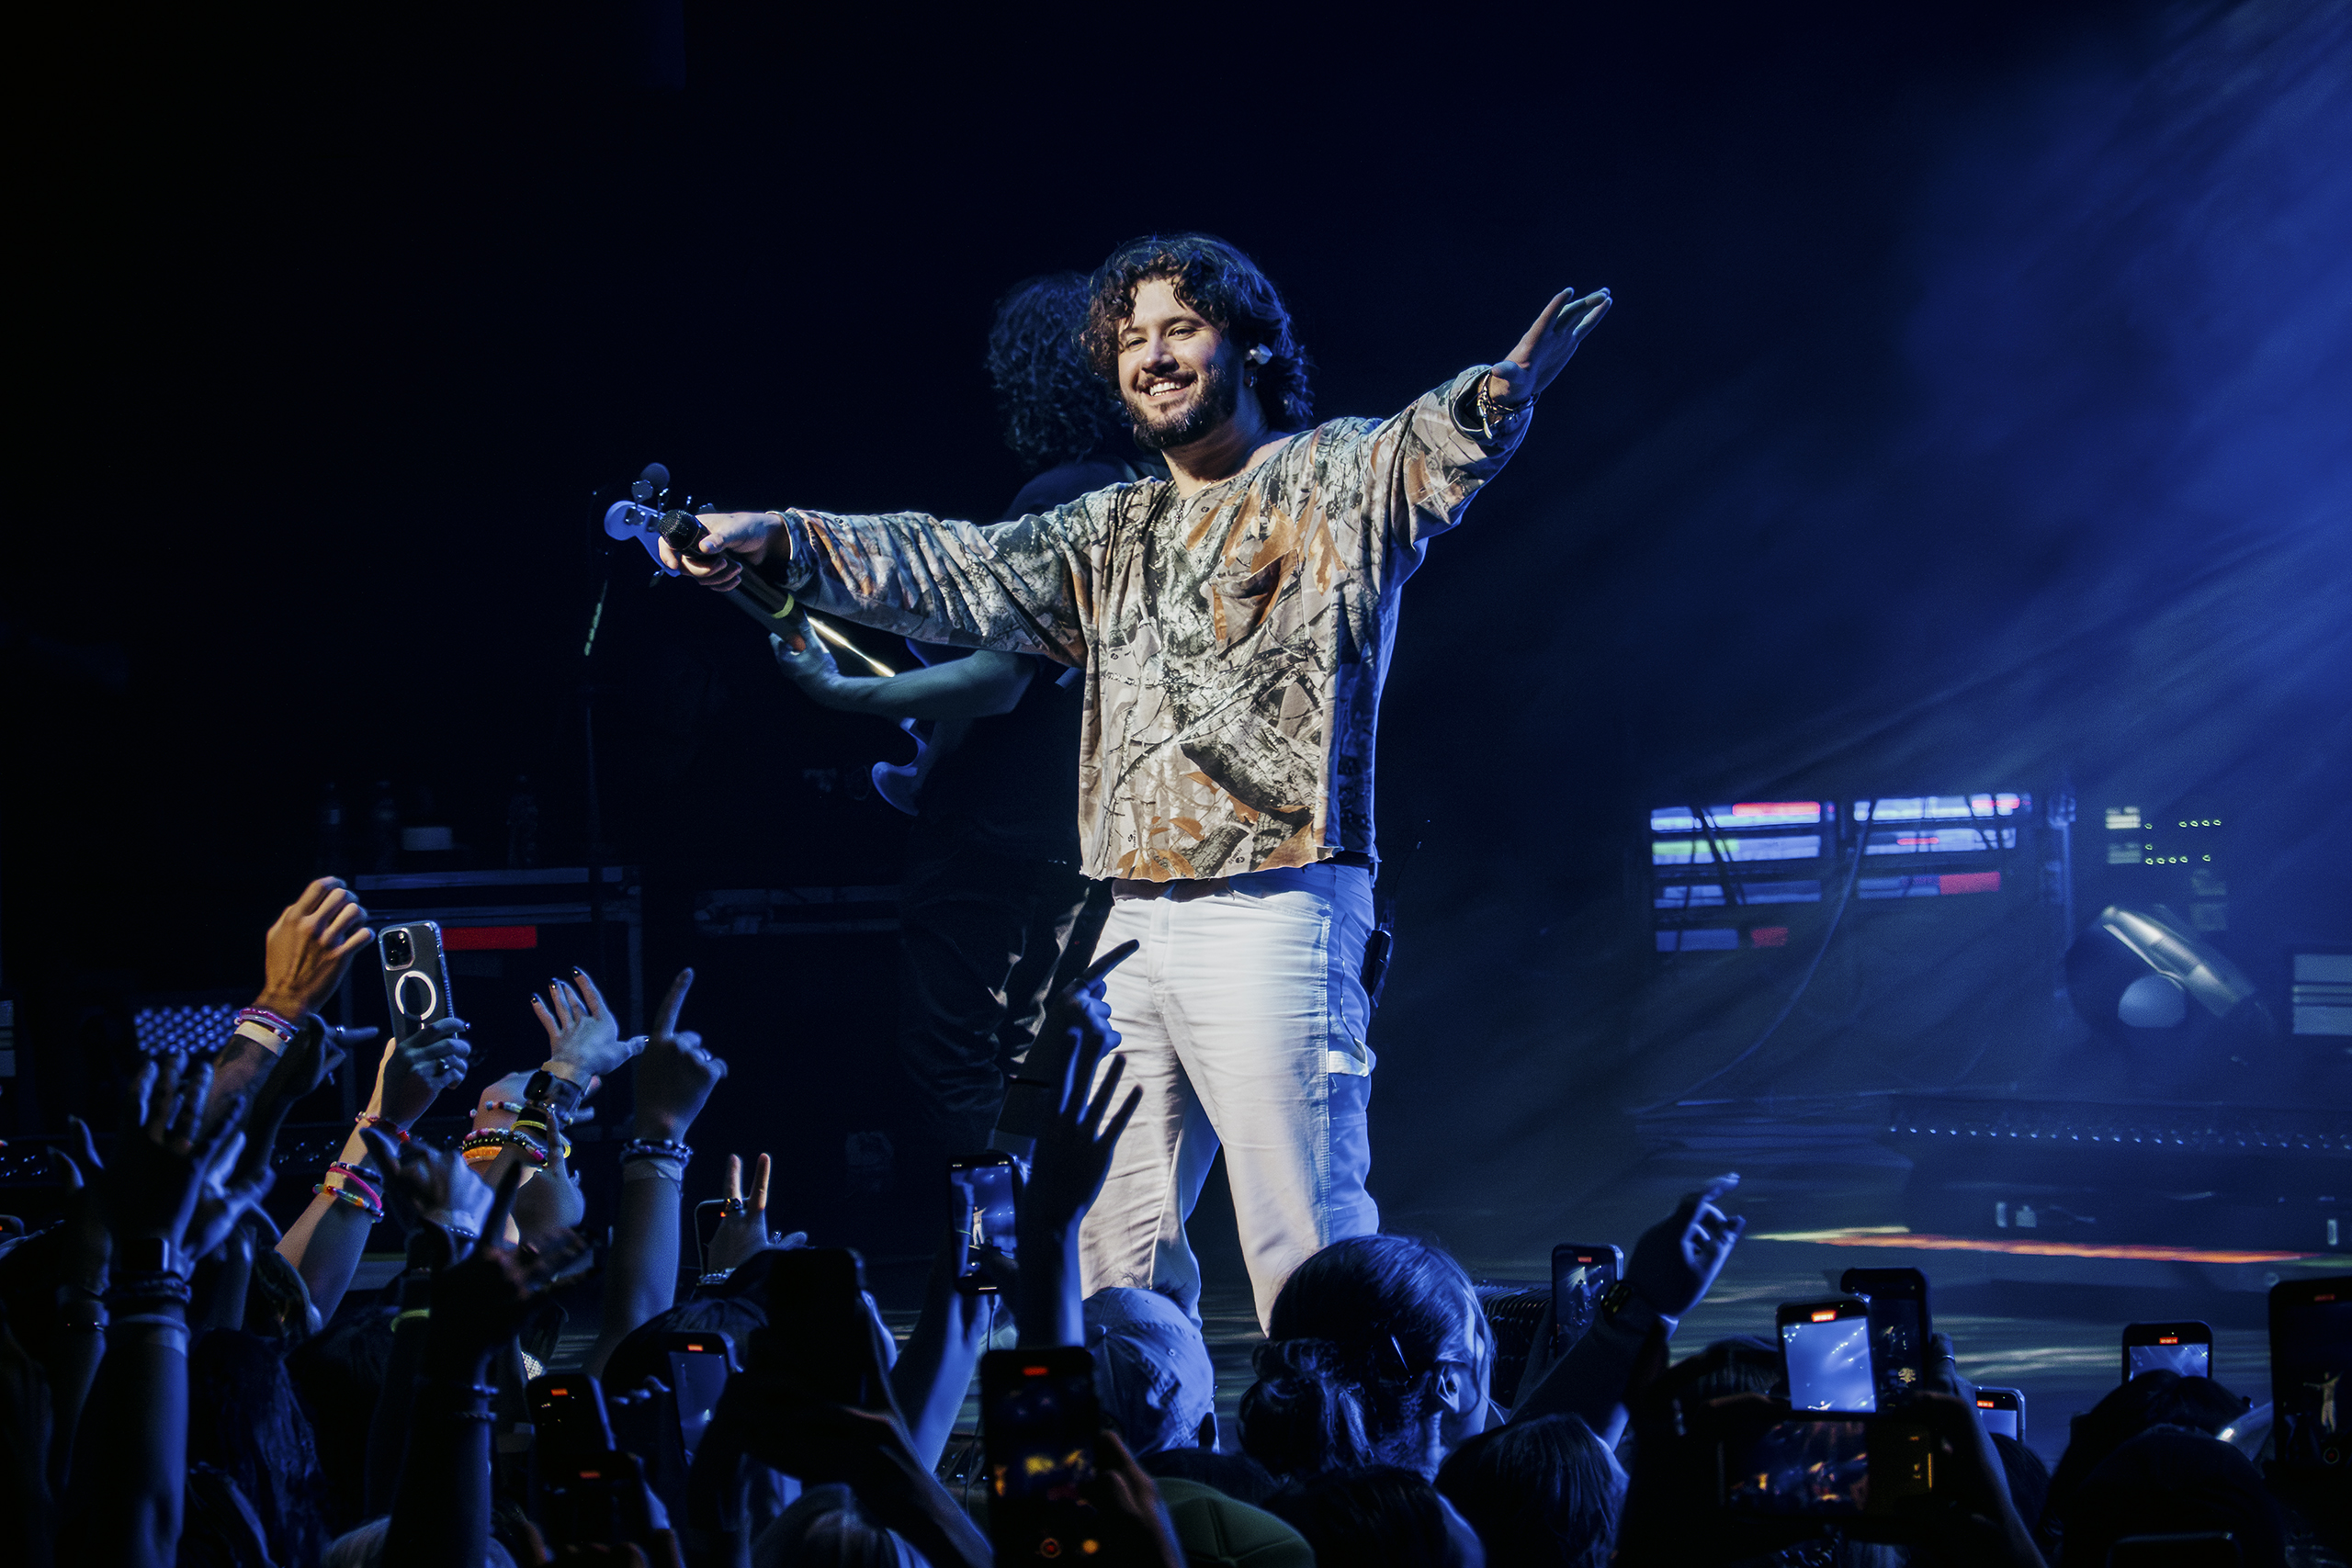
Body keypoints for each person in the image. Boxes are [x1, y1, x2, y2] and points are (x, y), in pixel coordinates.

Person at [662, 232, 1612, 1325]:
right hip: (1124, 926)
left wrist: (1495, 394)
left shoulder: (1327, 478)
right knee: (1107, 1254)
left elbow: (1422, 452)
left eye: (1179, 330)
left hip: (1275, 905)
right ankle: (1146, 1473)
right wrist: (779, 537)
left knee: (1302, 1238)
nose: (1152, 357)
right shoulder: (1110, 528)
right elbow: (948, 563)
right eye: (1130, 340)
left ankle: (1364, 1478)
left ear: (1246, 345)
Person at [769, 271, 1158, 1173]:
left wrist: (842, 692)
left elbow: (995, 685)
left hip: (994, 831)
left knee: (956, 1067)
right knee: (1043, 1060)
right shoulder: (1154, 495)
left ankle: (996, 1280)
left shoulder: (1056, 498)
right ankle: (1055, 1274)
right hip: (1092, 828)